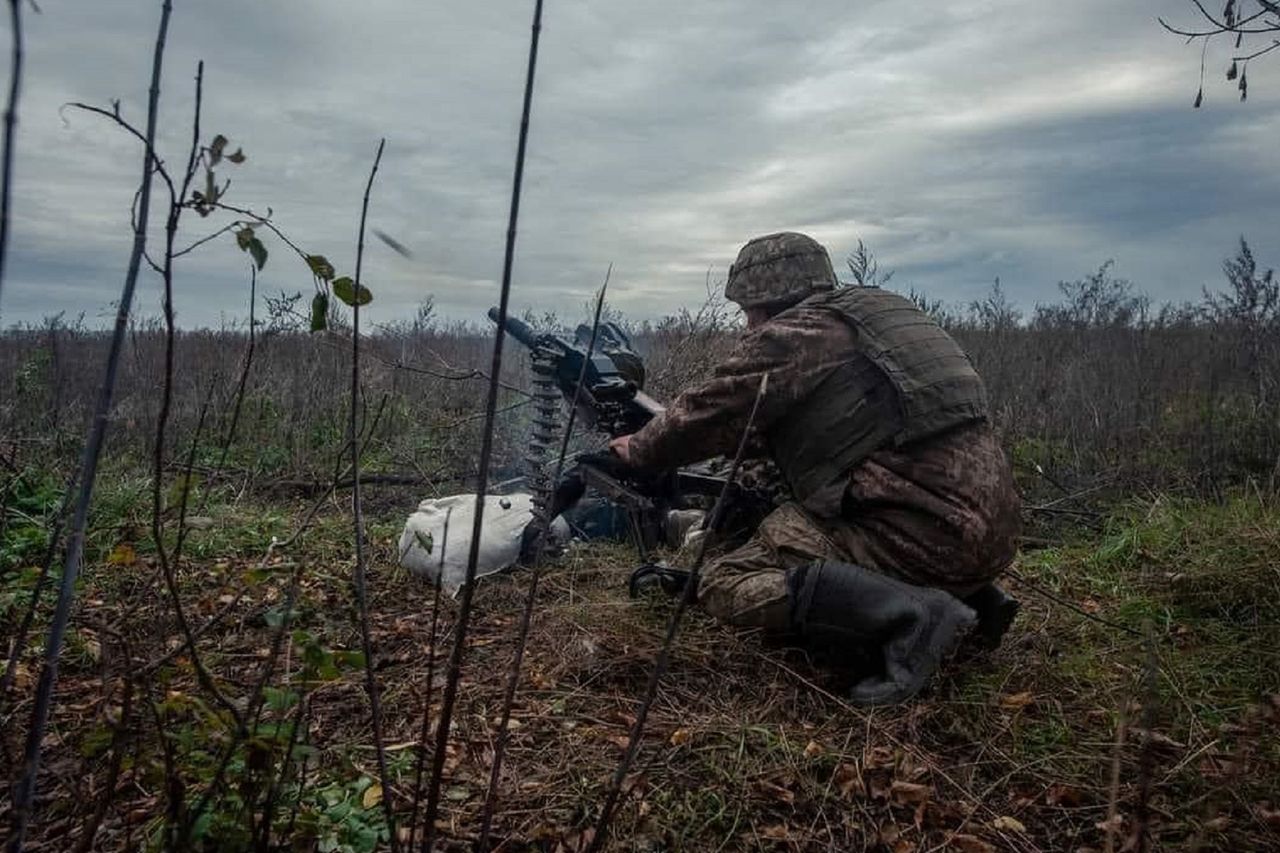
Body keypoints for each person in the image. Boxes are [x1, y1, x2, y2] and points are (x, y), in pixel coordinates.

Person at [608, 232, 1022, 705]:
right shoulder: (878, 316)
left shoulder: (799, 333)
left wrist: (638, 448)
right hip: (987, 531)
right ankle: (971, 597)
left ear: (766, 302)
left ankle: (917, 617)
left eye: (747, 313)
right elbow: (836, 428)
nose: (747, 327)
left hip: (922, 535)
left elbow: (713, 410)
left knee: (724, 581)